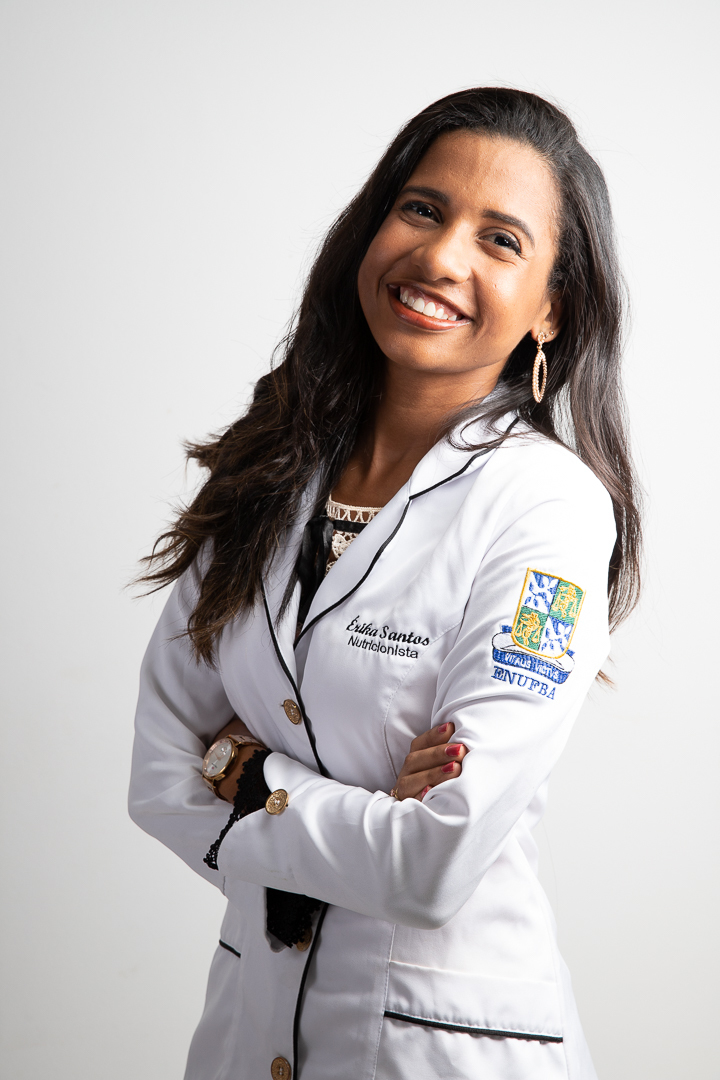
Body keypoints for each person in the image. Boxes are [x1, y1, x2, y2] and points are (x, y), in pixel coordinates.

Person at [129, 87, 641, 1080]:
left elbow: (433, 864)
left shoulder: (547, 510)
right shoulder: (264, 471)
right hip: (246, 1033)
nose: (442, 257)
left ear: (552, 309)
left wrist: (249, 771)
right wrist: (368, 807)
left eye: (500, 240)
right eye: (421, 209)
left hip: (444, 1050)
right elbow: (157, 783)